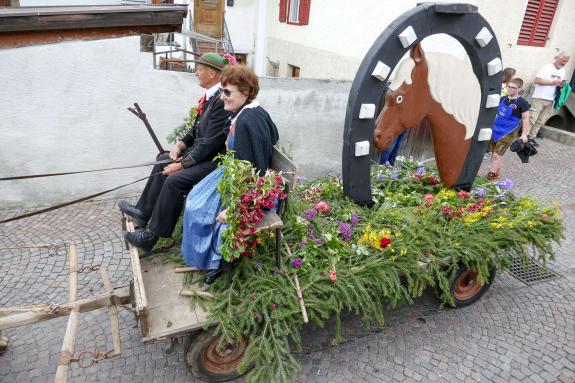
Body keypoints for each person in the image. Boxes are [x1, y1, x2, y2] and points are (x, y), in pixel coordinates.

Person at [121, 52, 232, 252]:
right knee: (163, 159)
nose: (196, 72)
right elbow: (196, 128)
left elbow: (210, 143)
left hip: (214, 162)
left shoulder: (221, 101)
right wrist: (180, 145)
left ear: (213, 73)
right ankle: (143, 212)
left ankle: (152, 236)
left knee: (174, 180)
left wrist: (181, 165)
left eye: (200, 69)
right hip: (202, 155)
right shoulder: (210, 97)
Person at [180, 64, 279, 283]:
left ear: (245, 92)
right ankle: (210, 257)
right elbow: (274, 135)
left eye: (227, 92)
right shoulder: (253, 111)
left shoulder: (246, 121)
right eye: (222, 90)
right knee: (196, 196)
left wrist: (234, 208)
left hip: (249, 189)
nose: (222, 96)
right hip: (237, 175)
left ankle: (214, 262)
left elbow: (251, 172)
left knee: (197, 207)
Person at [486, 78, 530, 180]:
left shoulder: (522, 103)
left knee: (497, 154)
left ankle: (491, 176)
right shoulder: (503, 99)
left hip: (508, 132)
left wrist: (524, 134)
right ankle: (495, 171)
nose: (510, 89)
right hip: (495, 129)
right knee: (493, 153)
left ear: (519, 89)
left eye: (513, 88)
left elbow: (526, 118)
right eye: (509, 86)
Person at [528, 52, 570, 141]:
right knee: (532, 119)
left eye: (566, 62)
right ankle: (524, 137)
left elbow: (558, 84)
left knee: (541, 121)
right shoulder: (546, 67)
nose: (564, 63)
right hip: (539, 97)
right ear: (558, 58)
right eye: (563, 60)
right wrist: (551, 82)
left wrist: (561, 85)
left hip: (552, 99)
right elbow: (537, 80)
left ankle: (531, 137)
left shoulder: (563, 71)